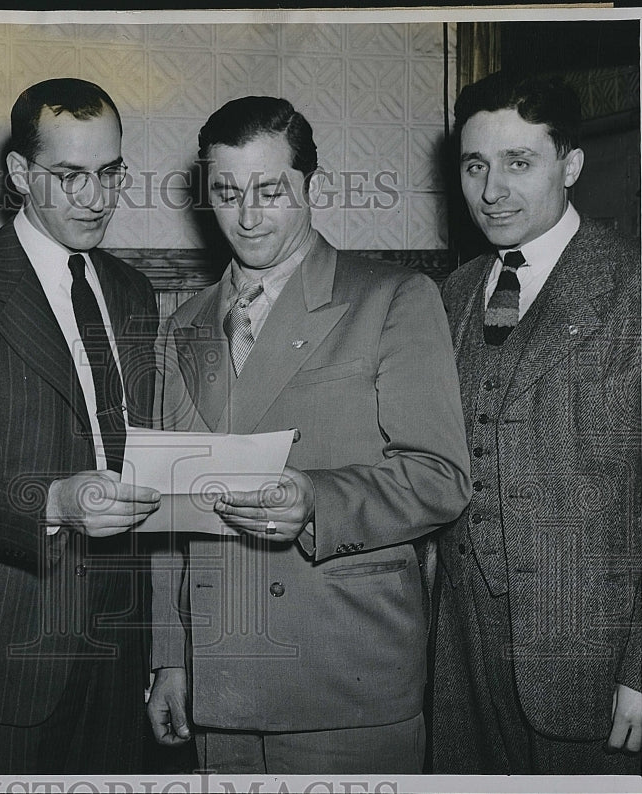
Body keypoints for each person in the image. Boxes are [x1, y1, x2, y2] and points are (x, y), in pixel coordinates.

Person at [147, 95, 471, 774]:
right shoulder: (182, 326)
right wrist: (170, 658)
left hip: (343, 674)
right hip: (222, 679)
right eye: (227, 192)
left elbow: (441, 476)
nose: (248, 214)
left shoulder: (393, 298)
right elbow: (169, 509)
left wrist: (318, 501)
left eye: (271, 190)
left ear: (312, 188)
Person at [0, 78, 161, 774]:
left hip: (118, 645)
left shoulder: (133, 292)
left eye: (109, 174)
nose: (96, 198)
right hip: (2, 655)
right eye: (70, 176)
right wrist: (56, 503)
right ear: (19, 174)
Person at [432, 72, 641, 774]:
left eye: (519, 163)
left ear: (570, 164)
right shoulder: (455, 293)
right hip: (462, 658)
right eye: (475, 166)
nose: (492, 191)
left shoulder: (633, 289)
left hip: (591, 664)